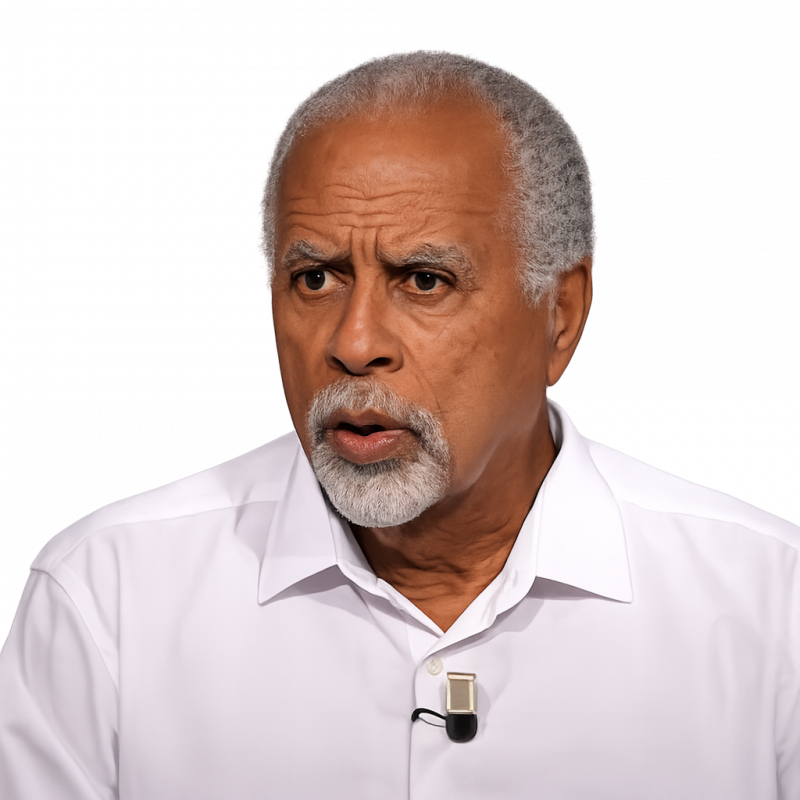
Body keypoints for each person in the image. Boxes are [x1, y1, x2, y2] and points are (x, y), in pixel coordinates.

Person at [1, 49, 797, 799]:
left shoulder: (771, 605)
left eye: (423, 280)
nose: (354, 345)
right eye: (315, 278)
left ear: (561, 313)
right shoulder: (109, 597)